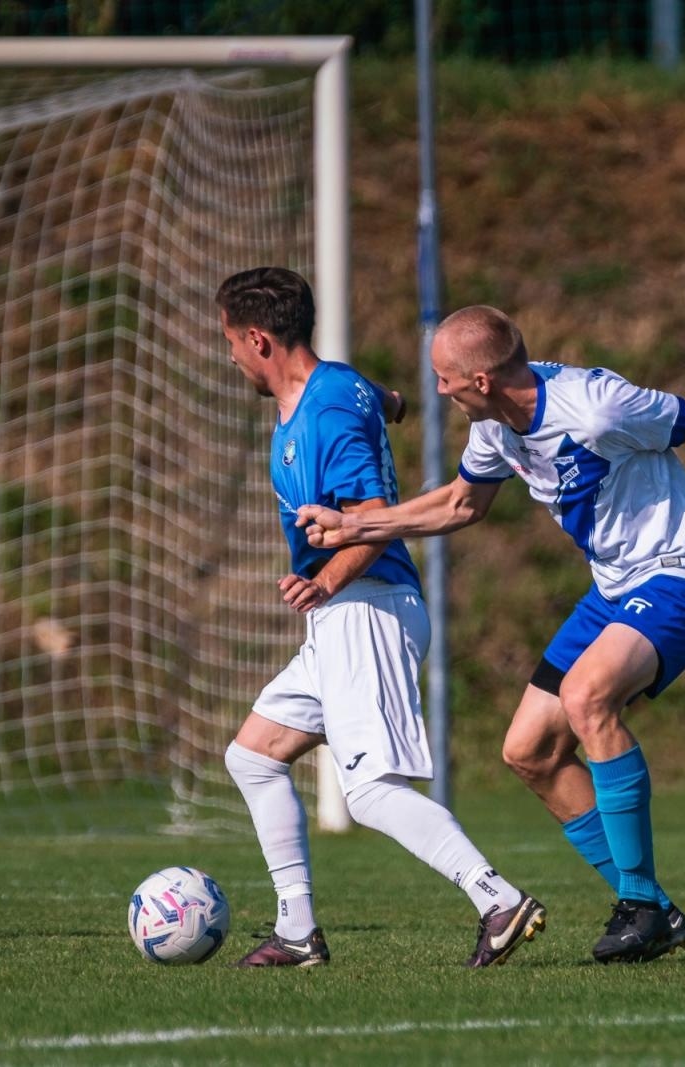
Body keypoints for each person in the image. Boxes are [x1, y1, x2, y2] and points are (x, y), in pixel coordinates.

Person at [297, 305, 685, 963]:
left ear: (483, 381)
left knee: (587, 697)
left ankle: (638, 903)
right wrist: (355, 528)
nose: (439, 391)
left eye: (446, 379)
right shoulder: (495, 427)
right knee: (528, 749)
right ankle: (653, 909)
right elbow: (462, 504)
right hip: (613, 588)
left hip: (680, 571)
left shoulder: (596, 407)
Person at [216, 267, 546, 968]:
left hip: (367, 608)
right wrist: (389, 401)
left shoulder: (328, 410)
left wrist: (323, 580)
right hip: (340, 618)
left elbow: (372, 523)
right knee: (252, 755)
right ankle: (298, 930)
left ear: (257, 338)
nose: (231, 359)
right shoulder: (339, 389)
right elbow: (385, 400)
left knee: (367, 792)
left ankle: (497, 897)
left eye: (231, 344)